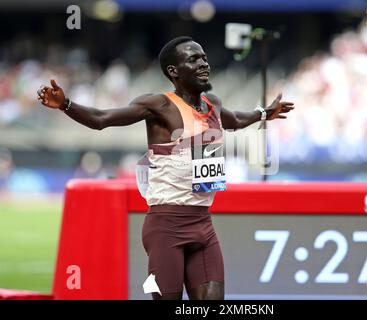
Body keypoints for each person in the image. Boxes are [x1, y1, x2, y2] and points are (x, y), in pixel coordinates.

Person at [37, 36, 294, 300]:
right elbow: (102, 119)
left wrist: (265, 113)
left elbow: (236, 119)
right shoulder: (158, 105)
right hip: (166, 227)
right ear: (174, 71)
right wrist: (65, 105)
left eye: (204, 57)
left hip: (203, 223)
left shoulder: (212, 104)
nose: (204, 63)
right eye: (193, 59)